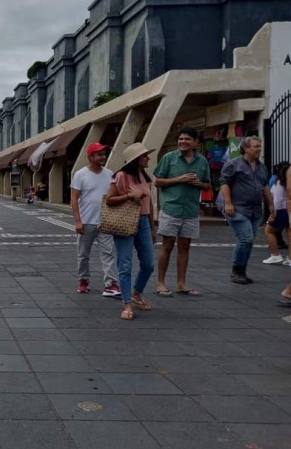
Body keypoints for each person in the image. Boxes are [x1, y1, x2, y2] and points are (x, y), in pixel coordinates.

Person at [153, 127, 212, 296]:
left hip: (191, 210)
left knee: (185, 246)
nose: (183, 142)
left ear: (195, 142)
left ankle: (181, 283)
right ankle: (160, 283)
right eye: (180, 139)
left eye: (187, 139)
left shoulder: (202, 162)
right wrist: (180, 179)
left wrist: (199, 183)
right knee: (168, 244)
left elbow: (207, 184)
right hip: (171, 207)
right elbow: (157, 181)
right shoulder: (169, 158)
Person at [105, 142, 156, 321]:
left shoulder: (145, 177)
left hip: (143, 221)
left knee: (149, 263)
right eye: (144, 156)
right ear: (135, 160)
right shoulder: (121, 176)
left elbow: (149, 203)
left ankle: (137, 292)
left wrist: (152, 225)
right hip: (125, 222)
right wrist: (128, 196)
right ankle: (127, 303)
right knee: (125, 264)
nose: (147, 158)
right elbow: (109, 200)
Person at [219, 136, 274, 284]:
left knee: (247, 241)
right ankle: (237, 271)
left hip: (255, 210)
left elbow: (265, 186)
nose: (259, 149)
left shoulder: (262, 167)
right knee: (246, 239)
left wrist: (271, 205)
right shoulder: (233, 164)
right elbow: (224, 183)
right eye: (256, 146)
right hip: (238, 209)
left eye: (259, 146)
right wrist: (228, 203)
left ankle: (241, 270)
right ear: (246, 148)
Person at [70, 143, 119, 297]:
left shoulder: (110, 174)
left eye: (103, 154)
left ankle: (110, 284)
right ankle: (83, 280)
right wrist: (78, 221)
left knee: (108, 253)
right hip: (86, 222)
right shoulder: (80, 174)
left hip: (105, 221)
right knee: (83, 254)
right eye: (98, 154)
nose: (102, 157)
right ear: (90, 157)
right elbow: (74, 199)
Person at [262, 161, 290, 265]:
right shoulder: (288, 181)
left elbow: (277, 200)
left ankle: (275, 255)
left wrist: (272, 213)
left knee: (268, 231)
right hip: (289, 210)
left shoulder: (278, 182)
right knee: (289, 233)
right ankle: (289, 258)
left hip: (281, 210)